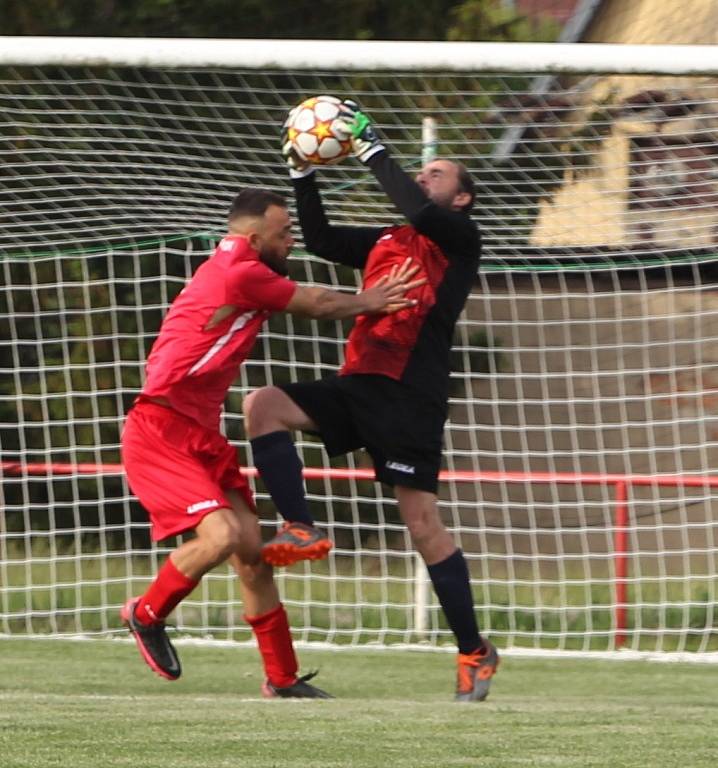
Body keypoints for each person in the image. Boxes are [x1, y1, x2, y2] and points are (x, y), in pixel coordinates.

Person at [120, 186, 422, 698]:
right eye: (284, 234)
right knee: (222, 538)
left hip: (199, 433)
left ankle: (281, 677)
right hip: (159, 429)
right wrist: (373, 299)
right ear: (254, 236)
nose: (292, 242)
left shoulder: (246, 268)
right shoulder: (239, 271)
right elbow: (319, 303)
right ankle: (145, 613)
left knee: (253, 556)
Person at [242, 101, 499, 702]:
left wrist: (370, 146)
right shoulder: (391, 237)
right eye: (423, 169)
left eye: (439, 174)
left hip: (411, 395)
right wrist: (302, 173)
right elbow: (325, 238)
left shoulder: (459, 238)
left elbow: (412, 202)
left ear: (461, 199)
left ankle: (473, 652)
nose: (425, 177)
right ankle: (300, 526)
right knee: (263, 404)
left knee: (422, 525)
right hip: (359, 382)